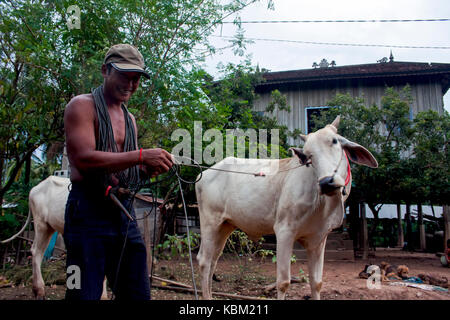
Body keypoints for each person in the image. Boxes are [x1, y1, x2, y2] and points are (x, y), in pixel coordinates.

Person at [63, 44, 173, 300]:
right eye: (125, 76)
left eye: (136, 79)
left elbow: (127, 171)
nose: (131, 84)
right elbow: (82, 159)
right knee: (81, 293)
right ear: (105, 70)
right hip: (86, 213)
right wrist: (142, 155)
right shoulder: (81, 106)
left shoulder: (130, 119)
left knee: (136, 292)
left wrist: (147, 169)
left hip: (123, 211)